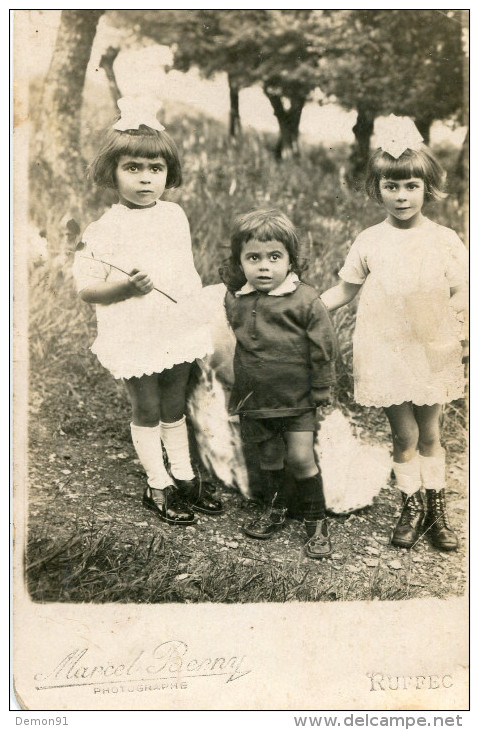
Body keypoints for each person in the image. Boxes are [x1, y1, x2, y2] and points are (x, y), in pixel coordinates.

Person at [73, 97, 222, 526]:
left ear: (168, 174)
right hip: (135, 331)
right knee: (148, 406)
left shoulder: (175, 216)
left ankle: (184, 475)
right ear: (112, 171)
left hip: (175, 326)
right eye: (132, 168)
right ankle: (157, 482)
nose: (145, 179)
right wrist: (123, 287)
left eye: (155, 169)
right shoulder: (103, 230)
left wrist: (195, 317)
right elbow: (87, 289)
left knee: (175, 403)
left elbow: (185, 272)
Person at [320, 115, 468, 552]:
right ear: (377, 189)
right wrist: (305, 304)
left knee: (431, 434)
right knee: (403, 436)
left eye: (410, 186)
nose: (401, 196)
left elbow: (463, 290)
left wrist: (456, 330)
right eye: (391, 186)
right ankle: (410, 503)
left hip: (430, 347)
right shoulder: (369, 240)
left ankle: (435, 510)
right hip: (384, 348)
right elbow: (345, 289)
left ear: (427, 188)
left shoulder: (444, 239)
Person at [221, 209, 338, 559]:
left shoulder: (304, 299)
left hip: (297, 398)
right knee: (269, 458)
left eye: (274, 257)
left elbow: (324, 347)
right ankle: (276, 509)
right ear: (239, 261)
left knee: (301, 458)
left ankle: (316, 521)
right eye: (253, 258)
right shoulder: (236, 297)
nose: (264, 267)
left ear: (291, 260)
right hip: (256, 398)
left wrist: (322, 389)